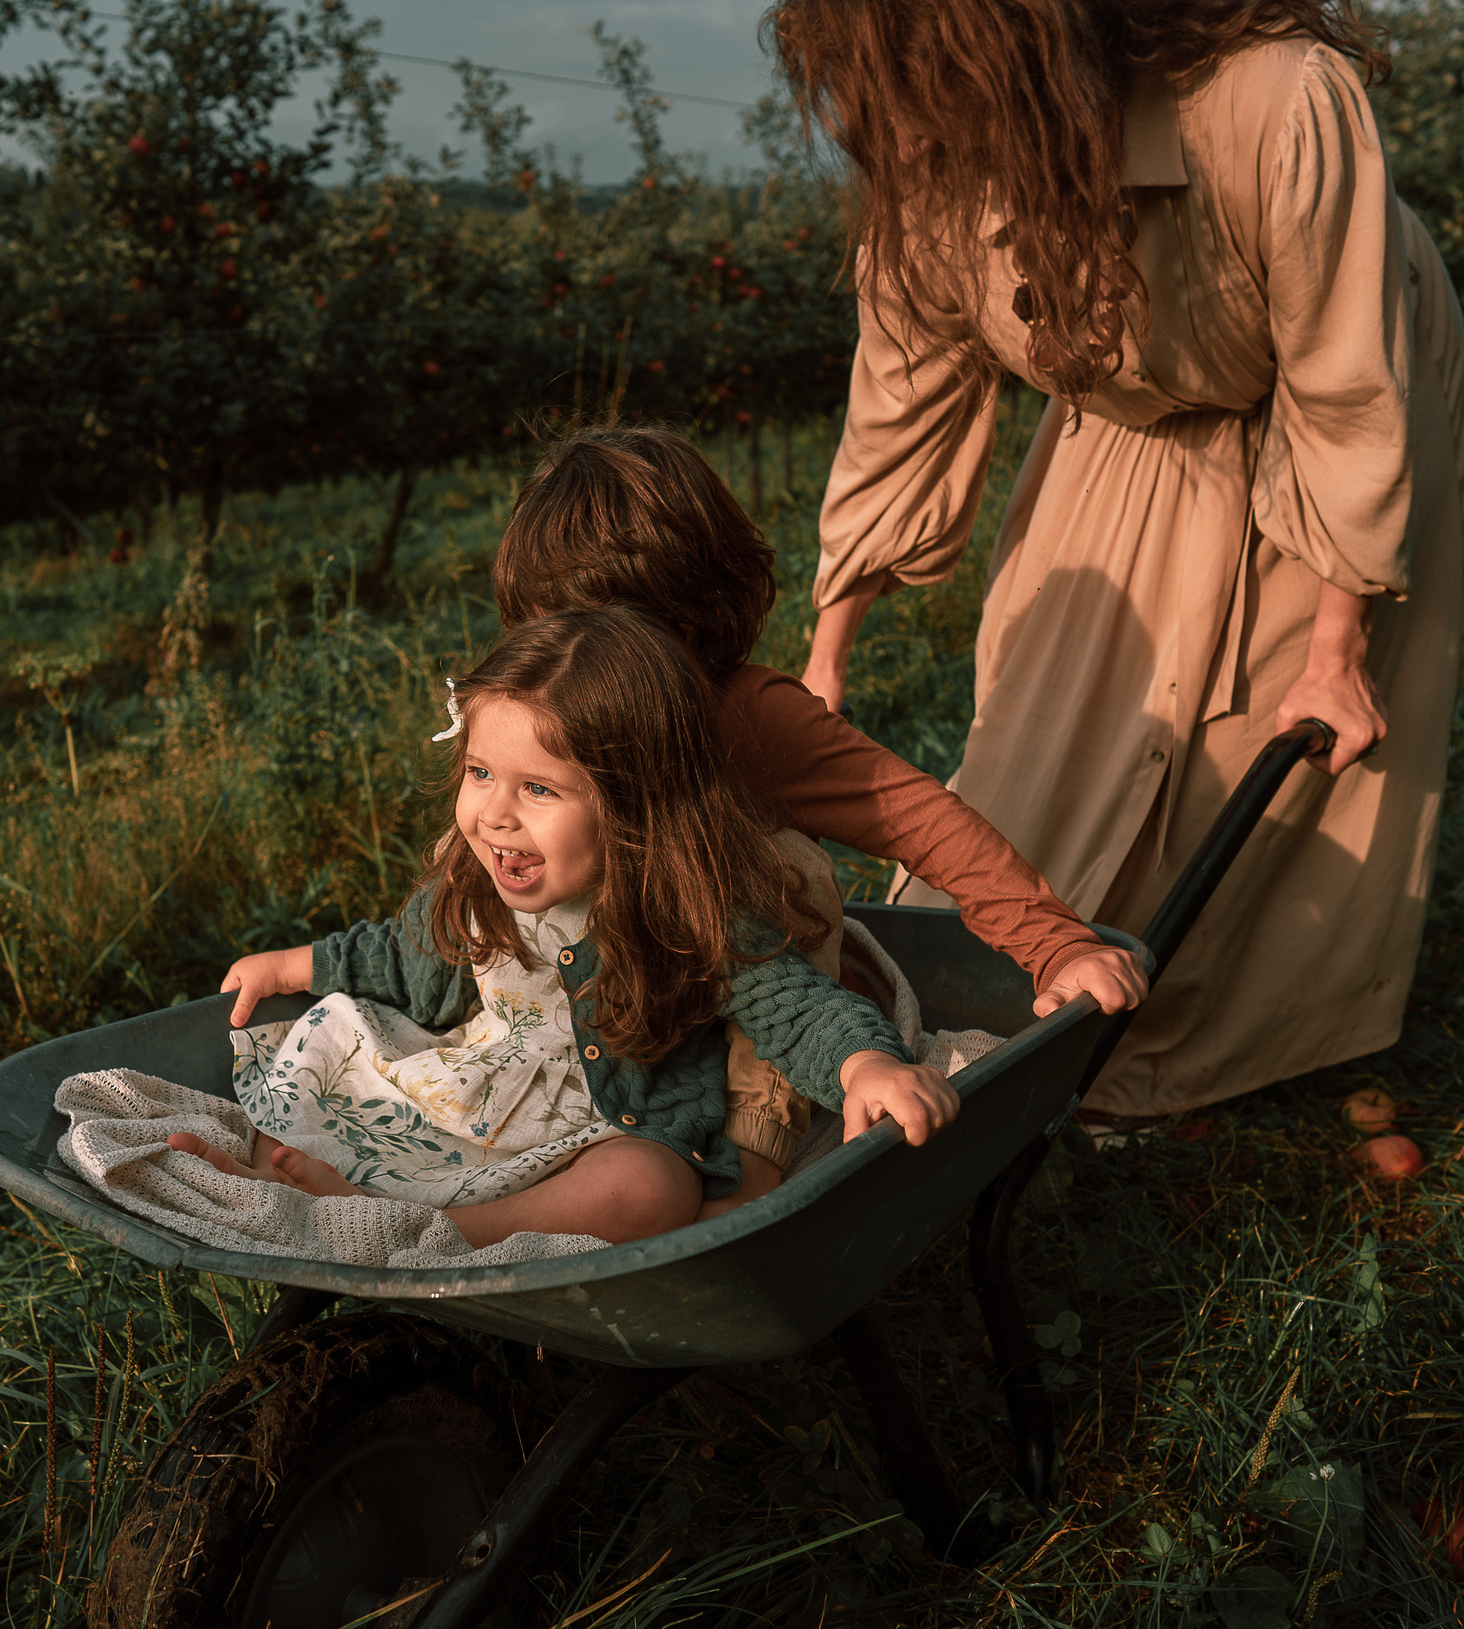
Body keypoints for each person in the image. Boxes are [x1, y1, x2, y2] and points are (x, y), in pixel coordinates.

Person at [772, 0, 1464, 1119]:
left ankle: (1211, 1049)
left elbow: (1345, 391)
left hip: (1332, 380)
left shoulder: (1274, 100)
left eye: (920, 88)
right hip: (1124, 405)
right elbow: (897, 402)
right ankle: (1032, 1007)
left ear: (1012, 50)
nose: (900, 138)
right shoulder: (932, 163)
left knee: (1255, 724)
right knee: (1046, 707)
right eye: (876, 98)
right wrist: (824, 660)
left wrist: (1337, 646)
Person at [166, 607, 959, 1250]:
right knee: (344, 1061)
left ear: (634, 805)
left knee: (649, 1189)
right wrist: (298, 964)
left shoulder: (684, 906)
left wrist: (864, 1066)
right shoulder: (479, 884)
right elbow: (406, 962)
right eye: (480, 774)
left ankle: (429, 1232)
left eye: (539, 788)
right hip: (489, 1094)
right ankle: (335, 1196)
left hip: (614, 1124)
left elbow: (797, 1005)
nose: (495, 813)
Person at [491, 425, 1148, 1183]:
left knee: (781, 880)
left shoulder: (747, 718)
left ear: (686, 620)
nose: (573, 670)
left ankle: (745, 1191)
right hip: (620, 1003)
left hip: (758, 1002)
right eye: (553, 638)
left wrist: (1058, 944)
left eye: (606, 642)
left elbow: (918, 820)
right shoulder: (544, 718)